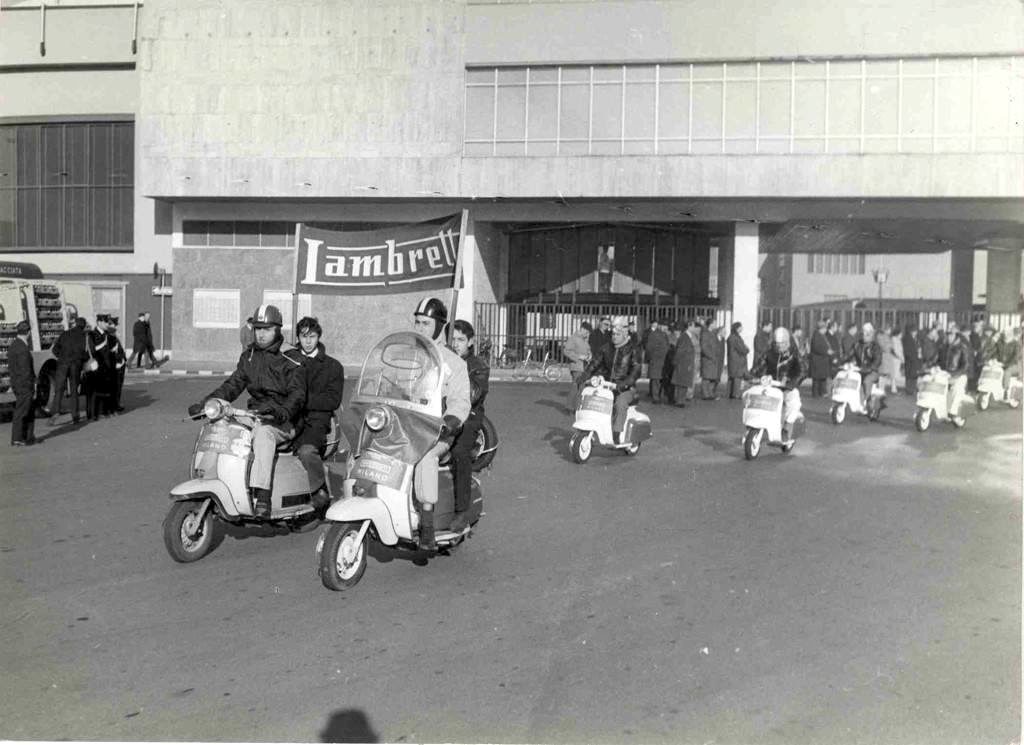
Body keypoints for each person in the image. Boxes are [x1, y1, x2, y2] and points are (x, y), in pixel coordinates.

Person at [189, 305, 305, 517]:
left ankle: (263, 493)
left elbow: (297, 397)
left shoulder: (291, 357)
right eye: (257, 328)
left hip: (283, 421)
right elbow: (233, 384)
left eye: (266, 329)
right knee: (220, 424)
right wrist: (208, 402)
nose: (260, 333)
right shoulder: (249, 355)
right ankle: (208, 479)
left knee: (263, 434)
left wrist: (280, 412)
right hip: (255, 415)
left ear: (278, 329)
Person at [410, 297, 470, 551]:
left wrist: (450, 421)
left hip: (437, 432)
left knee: (425, 458)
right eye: (417, 322)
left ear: (438, 326)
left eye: (425, 323)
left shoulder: (454, 363)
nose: (419, 328)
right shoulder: (408, 355)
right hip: (407, 426)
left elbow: (460, 401)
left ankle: (426, 523)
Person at [283, 317, 344, 514]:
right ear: (298, 337)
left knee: (306, 451)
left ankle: (320, 490)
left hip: (317, 420)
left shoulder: (333, 366)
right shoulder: (287, 361)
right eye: (303, 336)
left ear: (319, 337)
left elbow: (332, 400)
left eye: (312, 336)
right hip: (289, 416)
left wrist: (302, 400)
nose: (308, 341)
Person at [448, 320, 489, 534]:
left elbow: (472, 395)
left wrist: (455, 369)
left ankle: (461, 511)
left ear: (470, 341)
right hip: (442, 415)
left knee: (458, 452)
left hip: (468, 418)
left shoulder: (478, 365)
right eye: (452, 339)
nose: (455, 344)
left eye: (460, 340)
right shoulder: (443, 360)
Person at [581, 317, 641, 440]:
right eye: (613, 334)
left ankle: (617, 433)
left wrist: (623, 384)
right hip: (607, 386)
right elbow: (595, 363)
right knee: (594, 400)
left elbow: (636, 371)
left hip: (626, 388)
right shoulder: (607, 347)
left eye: (618, 334)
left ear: (625, 334)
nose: (614, 336)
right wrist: (584, 376)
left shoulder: (633, 349)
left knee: (620, 403)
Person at [751, 327, 805, 444]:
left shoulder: (794, 355)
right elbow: (759, 365)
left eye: (782, 343)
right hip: (771, 385)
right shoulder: (769, 353)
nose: (779, 346)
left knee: (794, 401)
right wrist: (751, 375)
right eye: (777, 343)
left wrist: (792, 383)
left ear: (787, 342)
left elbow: (802, 370)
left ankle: (787, 427)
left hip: (787, 386)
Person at [50, 318, 89, 426]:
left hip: (63, 364)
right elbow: (84, 354)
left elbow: (54, 350)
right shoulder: (84, 336)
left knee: (59, 389)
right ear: (84, 326)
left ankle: (55, 412)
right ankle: (75, 416)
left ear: (75, 324)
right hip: (75, 366)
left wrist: (62, 357)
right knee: (74, 391)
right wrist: (83, 360)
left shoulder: (65, 334)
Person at [9, 320, 37, 446]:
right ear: (28, 333)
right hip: (24, 385)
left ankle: (28, 436)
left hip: (17, 383)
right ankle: (18, 438)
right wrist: (32, 386)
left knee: (27, 410)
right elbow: (26, 370)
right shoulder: (23, 349)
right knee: (23, 411)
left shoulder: (14, 345)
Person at [85, 314, 115, 420]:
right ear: (99, 323)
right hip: (95, 368)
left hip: (106, 367)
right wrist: (103, 344)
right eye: (106, 322)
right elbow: (92, 349)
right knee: (93, 392)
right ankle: (92, 414)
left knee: (104, 391)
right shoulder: (92, 334)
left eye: (108, 322)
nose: (107, 324)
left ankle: (102, 412)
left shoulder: (107, 334)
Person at [846, 322, 883, 404]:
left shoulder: (875, 346)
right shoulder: (857, 344)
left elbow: (878, 360)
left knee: (866, 381)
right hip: (859, 370)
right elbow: (849, 355)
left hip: (872, 371)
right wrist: (841, 361)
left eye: (867, 334)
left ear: (871, 334)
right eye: (863, 333)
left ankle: (868, 402)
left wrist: (871, 367)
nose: (865, 336)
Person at [942, 325, 970, 425]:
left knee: (956, 391)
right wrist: (930, 366)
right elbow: (938, 359)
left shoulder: (962, 347)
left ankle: (954, 413)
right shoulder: (945, 347)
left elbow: (965, 365)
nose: (948, 337)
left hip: (959, 375)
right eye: (947, 335)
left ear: (956, 336)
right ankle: (944, 411)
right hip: (946, 374)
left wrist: (955, 374)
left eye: (950, 335)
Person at [564, 322, 592, 411]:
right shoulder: (573, 338)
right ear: (582, 329)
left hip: (583, 366)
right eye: (587, 332)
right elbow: (566, 351)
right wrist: (579, 357)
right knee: (576, 386)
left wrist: (589, 355)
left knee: (581, 387)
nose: (588, 334)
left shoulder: (584, 339)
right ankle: (570, 407)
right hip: (576, 366)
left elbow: (588, 350)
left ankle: (576, 407)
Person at [671, 320, 696, 407]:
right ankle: (679, 401)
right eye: (693, 326)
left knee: (683, 383)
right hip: (683, 364)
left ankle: (680, 400)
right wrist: (676, 362)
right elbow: (680, 352)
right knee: (682, 384)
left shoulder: (685, 337)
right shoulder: (685, 337)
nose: (694, 328)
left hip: (685, 363)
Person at [644, 319, 669, 403]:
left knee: (659, 379)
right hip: (656, 360)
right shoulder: (654, 334)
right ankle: (655, 398)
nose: (666, 328)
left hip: (663, 361)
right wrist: (653, 357)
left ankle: (658, 396)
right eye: (665, 326)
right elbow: (649, 348)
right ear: (660, 325)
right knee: (656, 380)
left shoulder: (664, 334)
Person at [699, 319, 724, 400]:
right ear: (711, 324)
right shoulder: (705, 333)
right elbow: (704, 347)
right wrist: (711, 356)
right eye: (715, 323)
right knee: (706, 378)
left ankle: (710, 394)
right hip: (708, 359)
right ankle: (706, 394)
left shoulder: (713, 333)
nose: (716, 325)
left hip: (714, 358)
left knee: (712, 377)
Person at [107, 317, 127, 414]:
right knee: (115, 387)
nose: (115, 327)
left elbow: (119, 350)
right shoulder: (108, 337)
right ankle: (114, 405)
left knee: (118, 387)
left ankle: (116, 404)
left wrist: (124, 359)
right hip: (115, 366)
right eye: (113, 325)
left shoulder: (113, 336)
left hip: (120, 364)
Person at [726, 322, 749, 399]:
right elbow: (742, 349)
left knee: (732, 377)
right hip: (737, 360)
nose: (742, 329)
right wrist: (747, 349)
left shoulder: (731, 337)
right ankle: (736, 394)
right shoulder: (735, 338)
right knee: (737, 377)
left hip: (733, 360)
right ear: (737, 328)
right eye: (740, 327)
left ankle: (730, 393)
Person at [809, 319, 832, 398]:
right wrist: (826, 351)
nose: (826, 330)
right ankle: (816, 394)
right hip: (817, 361)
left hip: (821, 361)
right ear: (821, 329)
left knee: (821, 378)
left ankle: (821, 393)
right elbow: (817, 348)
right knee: (816, 379)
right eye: (825, 328)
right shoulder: (817, 336)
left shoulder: (821, 335)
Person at [901, 325, 922, 396]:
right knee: (911, 375)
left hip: (912, 359)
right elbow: (908, 350)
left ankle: (911, 389)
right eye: (915, 331)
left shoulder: (912, 338)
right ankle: (910, 389)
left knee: (912, 375)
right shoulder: (908, 339)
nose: (916, 333)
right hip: (911, 359)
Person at [661, 322, 679, 405]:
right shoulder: (673, 338)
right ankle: (670, 397)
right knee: (670, 380)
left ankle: (668, 395)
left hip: (668, 360)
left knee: (667, 379)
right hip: (670, 360)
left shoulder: (667, 336)